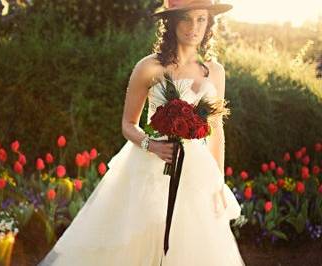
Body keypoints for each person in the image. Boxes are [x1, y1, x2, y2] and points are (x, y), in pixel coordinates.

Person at [38, 0, 246, 265]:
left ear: (209, 24)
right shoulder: (149, 67)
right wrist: (152, 145)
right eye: (186, 19)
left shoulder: (215, 71)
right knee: (142, 238)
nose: (194, 27)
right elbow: (128, 124)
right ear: (171, 21)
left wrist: (218, 182)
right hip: (150, 166)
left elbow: (216, 130)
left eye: (201, 19)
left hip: (196, 171)